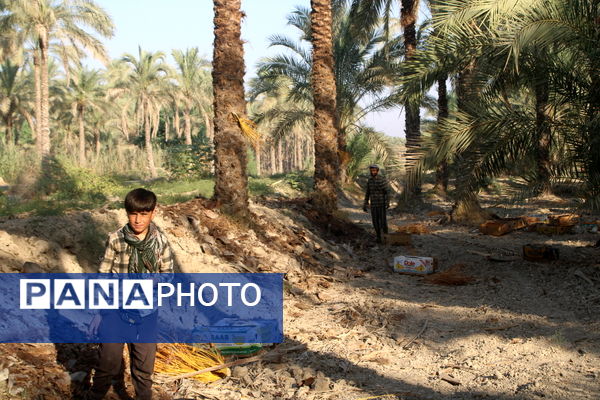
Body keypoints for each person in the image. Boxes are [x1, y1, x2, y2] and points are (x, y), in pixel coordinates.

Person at [86, 188, 174, 400]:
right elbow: (103, 277)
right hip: (116, 310)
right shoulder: (116, 239)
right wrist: (99, 312)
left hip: (146, 313)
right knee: (107, 363)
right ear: (127, 213)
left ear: (153, 213)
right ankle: (94, 395)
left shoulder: (161, 242)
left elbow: (169, 275)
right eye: (133, 214)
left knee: (143, 369)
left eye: (143, 214)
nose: (138, 220)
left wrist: (154, 281)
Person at [363, 164, 390, 243]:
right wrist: (365, 203)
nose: (373, 172)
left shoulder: (381, 180)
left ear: (377, 171)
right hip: (373, 205)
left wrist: (388, 202)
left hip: (381, 204)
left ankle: (386, 237)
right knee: (375, 222)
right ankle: (378, 237)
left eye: (374, 170)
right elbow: (368, 192)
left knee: (383, 222)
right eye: (371, 170)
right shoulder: (370, 181)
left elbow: (387, 191)